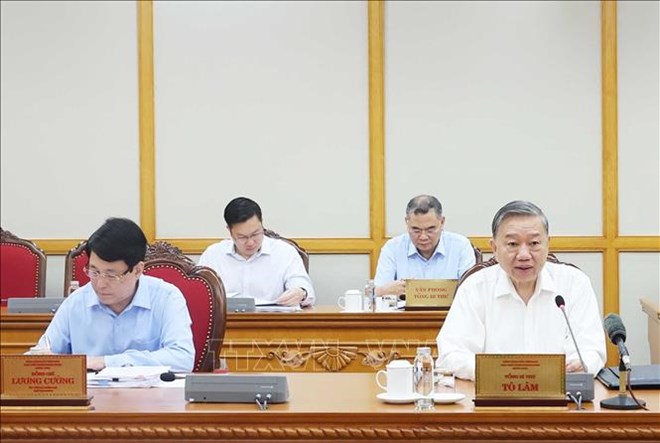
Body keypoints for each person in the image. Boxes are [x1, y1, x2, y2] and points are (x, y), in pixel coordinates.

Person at [436, 200, 606, 380]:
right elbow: (451, 354)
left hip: (560, 392)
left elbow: (591, 350)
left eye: (534, 243)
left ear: (547, 244)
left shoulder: (574, 284)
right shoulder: (475, 288)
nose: (524, 255)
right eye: (512, 244)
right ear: (494, 248)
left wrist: (578, 364)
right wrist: (501, 373)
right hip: (493, 394)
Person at [39, 218, 195, 372]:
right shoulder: (76, 303)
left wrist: (106, 362)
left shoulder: (166, 298)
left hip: (149, 389)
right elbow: (41, 355)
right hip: (91, 389)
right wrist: (42, 360)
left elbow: (182, 358)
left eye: (111, 275)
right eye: (94, 272)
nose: (100, 284)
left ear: (137, 270)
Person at [199, 197, 315, 306]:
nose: (250, 242)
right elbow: (198, 293)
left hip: (273, 319)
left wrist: (301, 292)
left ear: (262, 223)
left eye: (255, 234)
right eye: (242, 237)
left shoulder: (284, 252)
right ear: (229, 231)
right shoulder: (213, 255)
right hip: (226, 320)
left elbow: (303, 287)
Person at [374, 195, 475, 296]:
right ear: (407, 222)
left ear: (442, 222)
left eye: (430, 230)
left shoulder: (461, 246)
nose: (423, 237)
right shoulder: (393, 248)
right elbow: (377, 291)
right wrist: (383, 291)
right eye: (416, 230)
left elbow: (472, 292)